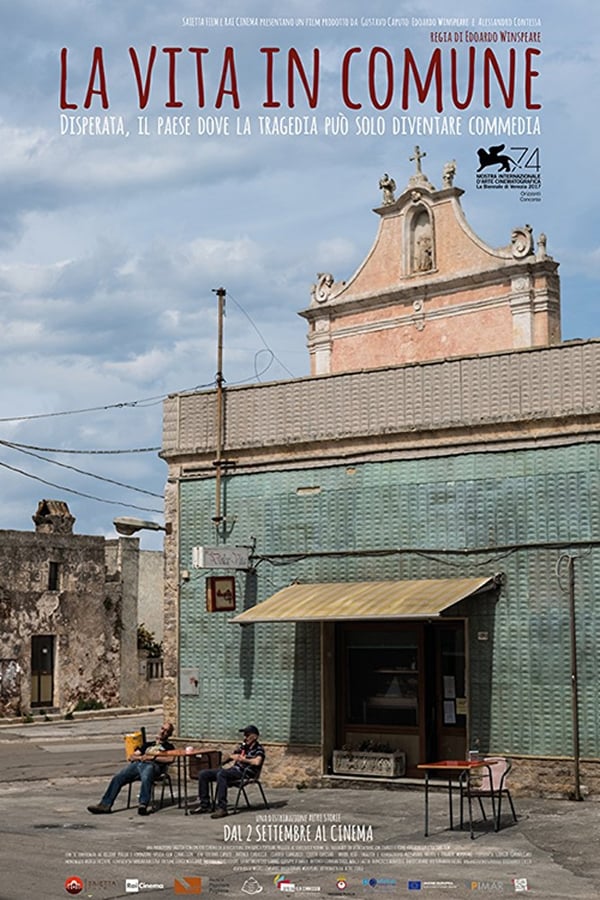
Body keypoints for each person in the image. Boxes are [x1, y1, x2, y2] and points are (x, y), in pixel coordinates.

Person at [87, 722, 175, 816]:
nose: (163, 732)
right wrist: (140, 757)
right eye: (162, 729)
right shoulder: (148, 745)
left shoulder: (168, 747)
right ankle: (105, 805)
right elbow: (132, 756)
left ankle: (143, 804)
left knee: (147, 774)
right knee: (118, 777)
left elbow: (171, 759)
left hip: (153, 766)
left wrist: (153, 758)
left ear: (169, 734)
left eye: (166, 731)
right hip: (139, 764)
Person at [190, 724, 265, 819]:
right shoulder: (243, 747)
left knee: (222, 774)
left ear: (255, 736)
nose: (245, 737)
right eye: (244, 735)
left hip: (244, 773)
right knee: (204, 774)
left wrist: (243, 759)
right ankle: (205, 805)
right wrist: (227, 759)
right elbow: (232, 756)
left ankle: (222, 808)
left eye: (247, 735)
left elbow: (257, 761)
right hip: (234, 771)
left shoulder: (258, 749)